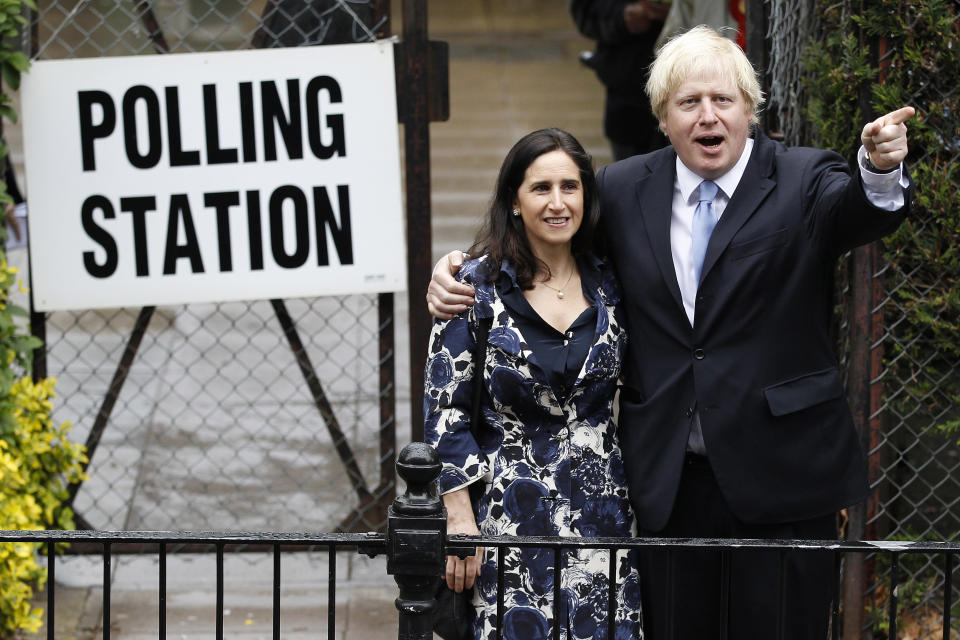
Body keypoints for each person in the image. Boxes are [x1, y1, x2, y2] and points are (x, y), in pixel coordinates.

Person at [426, 26, 914, 640]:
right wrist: (455, 270)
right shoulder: (625, 188)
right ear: (663, 117)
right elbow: (546, 236)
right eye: (689, 103)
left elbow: (861, 209)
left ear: (749, 110)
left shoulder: (803, 178)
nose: (708, 117)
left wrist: (876, 166)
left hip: (783, 476)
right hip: (669, 481)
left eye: (722, 101)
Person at [424, 128, 642, 640]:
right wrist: (459, 517)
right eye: (541, 188)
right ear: (514, 202)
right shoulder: (473, 287)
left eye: (570, 187)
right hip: (508, 511)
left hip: (601, 508)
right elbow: (443, 407)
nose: (558, 202)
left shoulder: (612, 282)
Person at [570, 1, 671, 160]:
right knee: (629, 177)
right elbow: (585, 12)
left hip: (693, 85)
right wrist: (622, 17)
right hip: (628, 97)